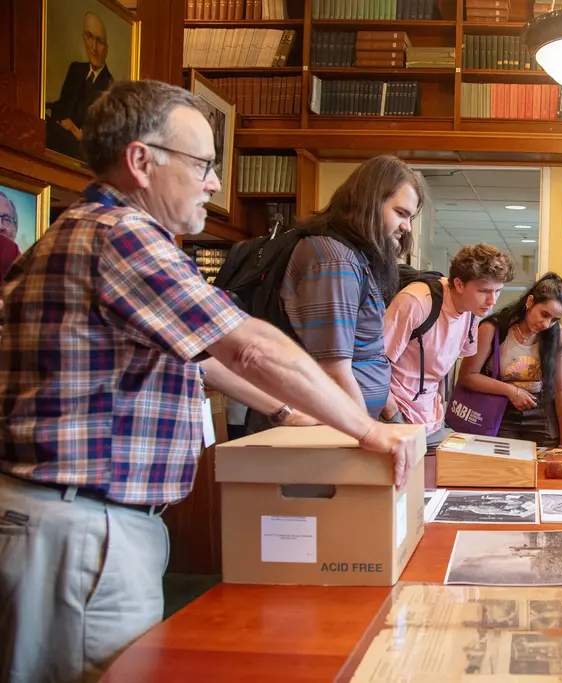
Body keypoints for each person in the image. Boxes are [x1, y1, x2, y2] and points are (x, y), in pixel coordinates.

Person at [0, 80, 422, 683]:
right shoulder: (122, 235)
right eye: (201, 163)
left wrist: (284, 412)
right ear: (142, 162)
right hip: (82, 529)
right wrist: (364, 428)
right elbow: (247, 346)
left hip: (76, 522)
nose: (215, 182)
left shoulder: (87, 230)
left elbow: (201, 356)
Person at [246, 155, 423, 431]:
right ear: (370, 202)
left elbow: (364, 352)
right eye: (401, 213)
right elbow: (335, 370)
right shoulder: (335, 259)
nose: (407, 227)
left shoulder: (351, 255)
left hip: (335, 426)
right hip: (317, 432)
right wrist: (368, 435)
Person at [381, 244, 516, 448]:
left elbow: (444, 368)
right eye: (484, 291)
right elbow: (373, 364)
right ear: (459, 284)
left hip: (429, 420)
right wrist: (393, 415)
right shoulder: (416, 301)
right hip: (393, 417)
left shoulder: (472, 312)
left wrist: (441, 409)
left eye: (498, 291)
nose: (492, 301)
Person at [456, 273, 562, 448]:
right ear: (530, 302)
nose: (546, 324)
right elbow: (467, 376)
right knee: (504, 468)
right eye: (544, 314)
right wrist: (511, 391)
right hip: (500, 410)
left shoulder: (557, 335)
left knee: (543, 469)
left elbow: (561, 391)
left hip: (541, 409)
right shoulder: (493, 328)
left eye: (554, 319)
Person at [45, 12, 115, 160]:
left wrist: (77, 132)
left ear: (106, 48)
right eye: (90, 37)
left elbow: (105, 139)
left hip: (80, 149)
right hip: (60, 132)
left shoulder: (111, 87)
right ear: (84, 39)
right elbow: (63, 104)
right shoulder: (76, 69)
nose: (94, 47)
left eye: (99, 41)